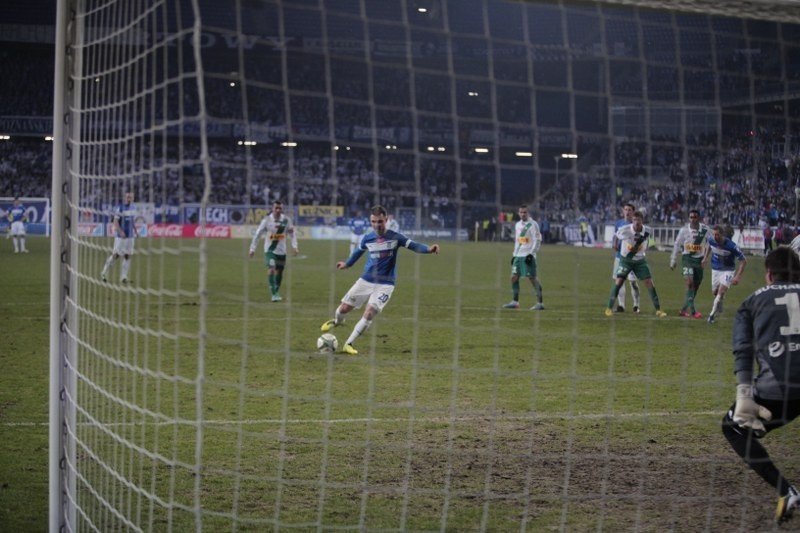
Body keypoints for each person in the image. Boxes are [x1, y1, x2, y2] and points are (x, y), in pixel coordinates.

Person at [721, 246, 800, 524]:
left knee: (733, 428)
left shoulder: (751, 302)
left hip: (778, 392)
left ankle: (786, 491)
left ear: (769, 274)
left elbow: (743, 349)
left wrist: (744, 394)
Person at [320, 205, 439, 355]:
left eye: (380, 221)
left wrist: (429, 249)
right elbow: (358, 252)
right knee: (343, 309)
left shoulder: (395, 237)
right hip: (366, 280)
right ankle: (337, 321)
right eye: (373, 222)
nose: (377, 225)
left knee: (369, 312)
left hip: (386, 284)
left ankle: (348, 343)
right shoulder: (368, 238)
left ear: (386, 219)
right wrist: (347, 264)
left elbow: (414, 246)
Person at [605, 210, 667, 318]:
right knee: (619, 281)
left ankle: (658, 310)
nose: (636, 222)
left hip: (640, 261)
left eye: (638, 220)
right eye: (634, 220)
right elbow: (616, 235)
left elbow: (648, 241)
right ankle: (609, 308)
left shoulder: (647, 230)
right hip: (626, 260)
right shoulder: (625, 230)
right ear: (632, 220)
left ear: (642, 220)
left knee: (649, 283)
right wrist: (615, 246)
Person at [249, 200, 298, 302]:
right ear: (272, 208)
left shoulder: (286, 220)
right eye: (276, 208)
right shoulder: (267, 220)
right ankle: (274, 294)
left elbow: (292, 234)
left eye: (280, 208)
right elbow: (258, 234)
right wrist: (252, 248)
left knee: (279, 272)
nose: (278, 210)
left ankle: (276, 291)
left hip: (282, 251)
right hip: (270, 250)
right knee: (271, 269)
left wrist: (295, 246)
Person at [502, 204, 544, 310]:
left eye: (525, 212)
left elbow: (537, 240)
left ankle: (540, 303)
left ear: (528, 213)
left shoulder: (533, 224)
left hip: (528, 255)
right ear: (518, 213)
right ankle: (515, 302)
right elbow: (518, 241)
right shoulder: (517, 225)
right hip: (519, 255)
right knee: (514, 277)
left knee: (532, 278)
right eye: (521, 212)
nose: (523, 214)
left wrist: (531, 254)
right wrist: (514, 255)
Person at [670, 209, 710, 318]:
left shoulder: (705, 230)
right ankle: (693, 312)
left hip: (699, 260)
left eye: (695, 217)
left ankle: (683, 310)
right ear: (689, 218)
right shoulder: (684, 230)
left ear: (699, 218)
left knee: (695, 287)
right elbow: (677, 244)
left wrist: (705, 258)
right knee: (690, 283)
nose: (693, 219)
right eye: (691, 217)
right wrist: (673, 260)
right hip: (687, 258)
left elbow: (709, 244)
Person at [704, 224, 747, 324]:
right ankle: (720, 301)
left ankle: (711, 316)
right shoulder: (711, 240)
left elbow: (744, 261)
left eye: (717, 235)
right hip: (715, 269)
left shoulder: (731, 246)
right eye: (714, 235)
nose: (715, 237)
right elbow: (708, 245)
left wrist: (737, 276)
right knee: (715, 292)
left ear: (722, 235)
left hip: (728, 270)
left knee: (721, 292)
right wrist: (705, 257)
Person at [100, 191, 137, 282]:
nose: (129, 199)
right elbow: (115, 221)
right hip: (121, 237)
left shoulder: (133, 208)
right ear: (125, 198)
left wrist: (135, 230)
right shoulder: (120, 208)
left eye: (130, 197)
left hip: (130, 236)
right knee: (115, 255)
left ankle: (123, 277)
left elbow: (132, 221)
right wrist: (120, 231)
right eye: (127, 197)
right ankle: (104, 273)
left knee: (127, 255)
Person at [611, 202, 641, 313]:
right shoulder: (618, 223)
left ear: (633, 212)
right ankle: (621, 305)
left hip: (632, 258)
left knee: (633, 282)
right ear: (623, 211)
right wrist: (614, 243)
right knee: (619, 281)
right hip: (619, 257)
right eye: (626, 209)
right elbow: (615, 235)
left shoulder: (636, 224)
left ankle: (636, 305)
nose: (627, 212)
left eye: (629, 210)